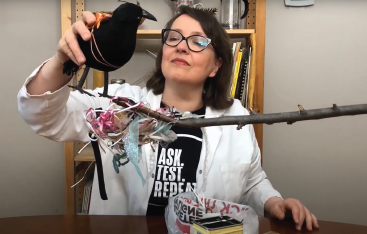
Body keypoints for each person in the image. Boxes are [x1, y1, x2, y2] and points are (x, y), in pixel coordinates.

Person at [17, 6, 319, 231]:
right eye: (173, 37)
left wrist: (274, 203)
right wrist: (62, 61)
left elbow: (252, 180)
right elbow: (42, 115)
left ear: (215, 66)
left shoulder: (235, 117)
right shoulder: (122, 104)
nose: (181, 45)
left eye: (197, 41)